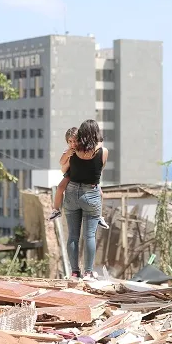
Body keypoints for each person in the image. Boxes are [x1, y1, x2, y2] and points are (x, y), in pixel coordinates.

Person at [62, 119, 108, 280]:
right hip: (91, 193)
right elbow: (99, 169)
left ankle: (74, 272)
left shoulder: (73, 151)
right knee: (89, 236)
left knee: (73, 236)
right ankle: (88, 272)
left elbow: (65, 168)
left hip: (72, 192)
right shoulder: (103, 151)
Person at [48, 128, 109, 230]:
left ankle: (99, 216)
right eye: (70, 141)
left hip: (85, 177)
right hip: (71, 175)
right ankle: (56, 210)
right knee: (60, 188)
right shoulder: (68, 151)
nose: (73, 144)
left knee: (100, 193)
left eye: (75, 141)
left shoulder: (85, 150)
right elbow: (61, 163)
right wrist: (68, 155)